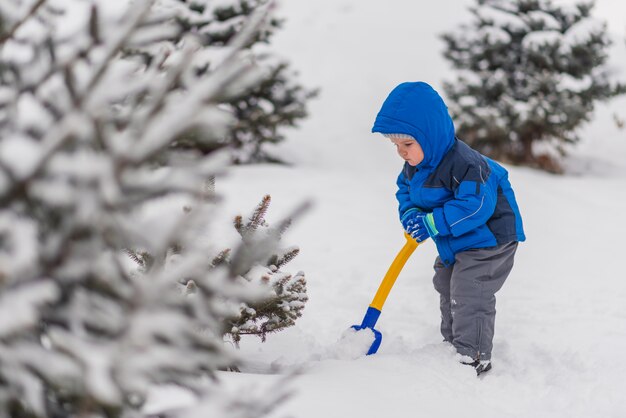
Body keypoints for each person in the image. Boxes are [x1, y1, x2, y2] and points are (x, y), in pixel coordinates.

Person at [372, 81, 525, 375]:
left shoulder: (466, 164)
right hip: (457, 238)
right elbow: (406, 192)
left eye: (407, 144)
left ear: (430, 136)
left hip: (490, 239)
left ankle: (473, 355)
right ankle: (452, 345)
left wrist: (433, 222)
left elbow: (476, 206)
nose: (401, 153)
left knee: (470, 289)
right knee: (446, 283)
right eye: (396, 146)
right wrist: (413, 213)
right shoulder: (415, 167)